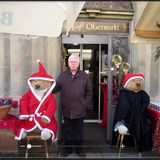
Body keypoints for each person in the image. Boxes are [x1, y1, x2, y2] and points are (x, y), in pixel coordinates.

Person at [52, 54, 92, 157]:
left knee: (79, 132)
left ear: (78, 63)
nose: (73, 64)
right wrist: (46, 88)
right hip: (67, 109)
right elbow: (56, 88)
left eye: (75, 62)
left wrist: (85, 104)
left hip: (80, 109)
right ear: (68, 63)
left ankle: (79, 150)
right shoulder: (63, 75)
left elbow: (89, 92)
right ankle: (68, 149)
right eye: (71, 62)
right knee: (68, 131)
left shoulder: (84, 76)